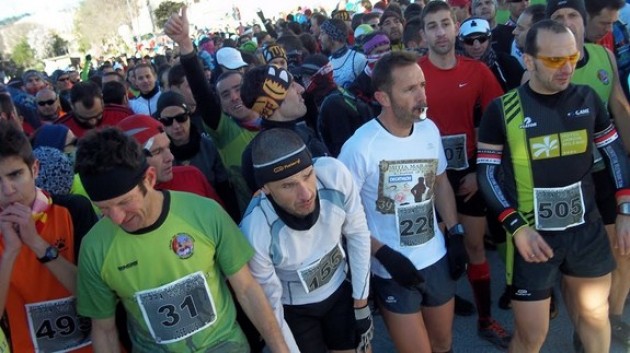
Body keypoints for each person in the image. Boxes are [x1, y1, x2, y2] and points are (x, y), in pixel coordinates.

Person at [477, 19, 630, 353]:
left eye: (572, 57)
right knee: (532, 336)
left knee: (595, 316)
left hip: (585, 230)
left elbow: (615, 153)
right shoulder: (502, 110)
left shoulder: (588, 98)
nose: (567, 68)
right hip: (533, 237)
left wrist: (625, 211)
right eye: (554, 60)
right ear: (529, 60)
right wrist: (516, 228)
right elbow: (487, 174)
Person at [73, 127, 290, 353]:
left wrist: (281, 349)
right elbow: (104, 329)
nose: (117, 218)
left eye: (125, 202)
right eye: (104, 209)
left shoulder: (204, 213)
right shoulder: (94, 247)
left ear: (149, 178)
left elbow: (247, 289)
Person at [338, 51, 467, 353]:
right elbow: (343, 215)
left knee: (443, 343)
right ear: (383, 97)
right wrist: (384, 255)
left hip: (434, 256)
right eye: (409, 89)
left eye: (422, 85)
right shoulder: (359, 147)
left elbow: (441, 181)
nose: (421, 95)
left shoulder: (429, 129)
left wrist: (456, 232)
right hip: (392, 269)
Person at [418, 1, 508, 346]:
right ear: (423, 33)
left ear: (456, 27)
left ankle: (486, 321)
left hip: (467, 172)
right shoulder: (416, 74)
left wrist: (481, 171)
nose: (440, 32)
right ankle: (443, 307)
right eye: (432, 26)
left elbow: (499, 125)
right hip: (424, 177)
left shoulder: (477, 72)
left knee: (473, 246)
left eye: (445, 24)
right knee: (434, 250)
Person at [240, 128, 373, 353]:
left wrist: (361, 304)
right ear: (264, 189)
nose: (306, 193)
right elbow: (271, 305)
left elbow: (358, 234)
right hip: (295, 310)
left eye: (307, 175)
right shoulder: (255, 229)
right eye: (288, 185)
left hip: (340, 290)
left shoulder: (335, 175)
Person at [0, 119, 95, 352]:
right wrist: (11, 252)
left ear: (35, 169)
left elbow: (96, 295)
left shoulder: (73, 210)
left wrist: (36, 243)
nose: (8, 190)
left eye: (15, 175)